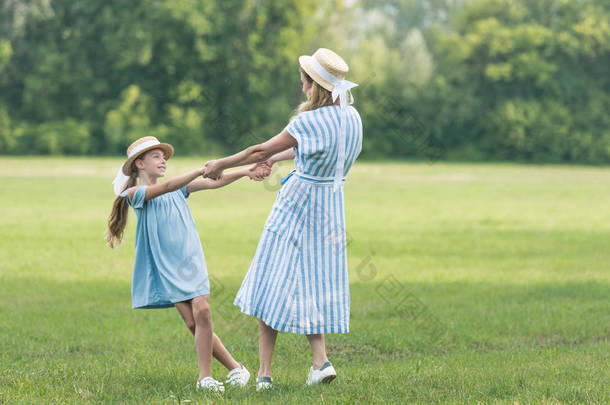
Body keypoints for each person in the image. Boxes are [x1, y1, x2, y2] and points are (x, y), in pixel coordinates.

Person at [202, 48, 362, 390]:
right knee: (313, 282)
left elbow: (257, 150)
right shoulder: (352, 118)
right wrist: (279, 159)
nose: (301, 87)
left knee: (268, 279)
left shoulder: (308, 121)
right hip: (330, 208)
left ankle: (265, 375)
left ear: (314, 86)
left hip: (297, 206)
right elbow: (316, 149)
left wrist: (220, 164)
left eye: (304, 82)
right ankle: (321, 362)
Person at [106, 136, 268, 392]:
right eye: (156, 157)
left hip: (189, 259)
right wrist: (201, 168)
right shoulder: (134, 194)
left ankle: (205, 378)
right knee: (193, 324)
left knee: (202, 311)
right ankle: (237, 368)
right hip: (166, 266)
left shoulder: (180, 189)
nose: (163, 161)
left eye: (164, 157)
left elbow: (214, 182)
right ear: (139, 164)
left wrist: (246, 171)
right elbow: (169, 186)